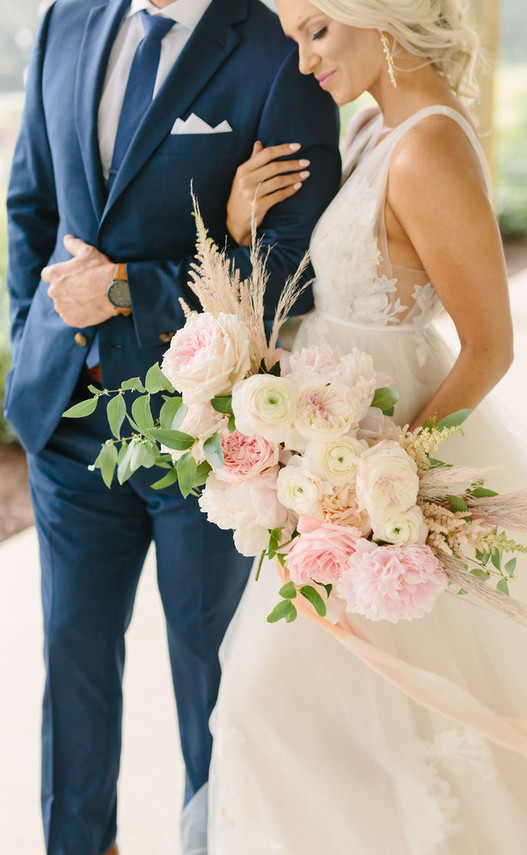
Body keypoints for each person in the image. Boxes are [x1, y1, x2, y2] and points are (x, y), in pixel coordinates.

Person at [206, 0, 527, 852]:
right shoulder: (374, 130)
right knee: (337, 727)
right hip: (336, 480)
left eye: (317, 31)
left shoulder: (428, 145)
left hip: (383, 493)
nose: (302, 63)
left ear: (382, 15)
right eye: (295, 38)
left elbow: (489, 347)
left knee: (283, 710)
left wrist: (383, 490)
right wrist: (236, 229)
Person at [4, 0, 341, 853]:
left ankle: (215, 838)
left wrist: (125, 290)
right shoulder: (67, 19)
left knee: (211, 676)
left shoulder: (277, 47)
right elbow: (30, 202)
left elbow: (292, 267)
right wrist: (31, 330)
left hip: (206, 436)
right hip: (69, 422)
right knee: (72, 667)